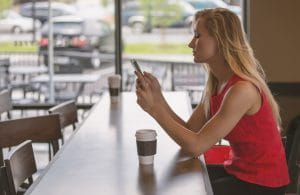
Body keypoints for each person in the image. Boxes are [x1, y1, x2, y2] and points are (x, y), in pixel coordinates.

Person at [135, 8, 289, 195]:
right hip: (238, 172)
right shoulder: (217, 84)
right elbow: (191, 131)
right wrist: (158, 99)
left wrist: (154, 110)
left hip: (263, 185)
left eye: (198, 36)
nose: (191, 44)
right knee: (180, 178)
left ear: (221, 40)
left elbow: (195, 146)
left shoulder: (242, 90)